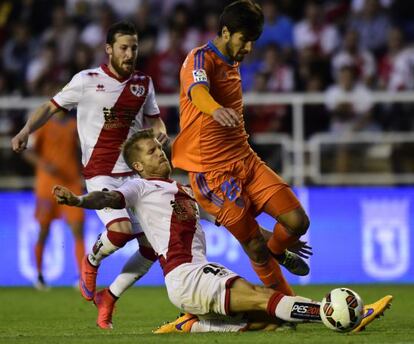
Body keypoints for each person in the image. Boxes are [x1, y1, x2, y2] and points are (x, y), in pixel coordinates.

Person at [52, 129, 392, 333]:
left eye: (159, 148)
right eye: (152, 153)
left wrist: (279, 248)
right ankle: (340, 315)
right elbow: (108, 196)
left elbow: (232, 222)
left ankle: (194, 324)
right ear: (138, 166)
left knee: (269, 320)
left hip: (195, 278)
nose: (161, 153)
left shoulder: (184, 190)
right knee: (263, 297)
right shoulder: (139, 189)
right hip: (186, 275)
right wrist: (80, 200)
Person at [11, 21, 168, 302]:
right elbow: (50, 106)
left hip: (135, 174)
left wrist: (160, 132)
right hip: (101, 173)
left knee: (151, 247)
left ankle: (109, 298)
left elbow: (154, 119)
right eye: (123, 48)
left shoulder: (144, 83)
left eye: (133, 47)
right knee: (119, 233)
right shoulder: (86, 80)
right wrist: (26, 130)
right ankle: (91, 261)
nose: (130, 53)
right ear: (109, 49)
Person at [172, 0, 307, 296]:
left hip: (245, 160)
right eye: (243, 40)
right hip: (212, 174)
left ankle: (276, 250)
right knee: (254, 246)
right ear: (225, 31)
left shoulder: (233, 62)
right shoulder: (199, 58)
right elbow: (197, 91)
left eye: (253, 41)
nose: (248, 48)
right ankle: (287, 307)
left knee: (298, 222)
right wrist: (215, 109)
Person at [24, 112, 85, 289]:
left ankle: (81, 277)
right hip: (46, 186)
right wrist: (43, 164)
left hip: (71, 183)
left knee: (78, 230)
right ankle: (39, 275)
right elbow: (28, 152)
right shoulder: (43, 125)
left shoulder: (75, 125)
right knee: (44, 230)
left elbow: (82, 149)